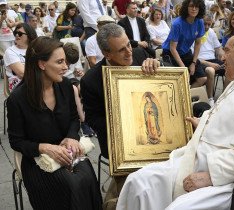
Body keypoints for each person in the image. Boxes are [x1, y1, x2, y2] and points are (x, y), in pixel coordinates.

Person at [116, 31, 234, 210]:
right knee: (139, 182)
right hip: (200, 157)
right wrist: (203, 124)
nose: (221, 57)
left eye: (227, 50)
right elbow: (227, 119)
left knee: (180, 207)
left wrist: (212, 175)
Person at [7, 36, 101, 210]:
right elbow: (16, 141)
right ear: (42, 64)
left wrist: (72, 137)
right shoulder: (17, 99)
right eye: (59, 62)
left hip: (67, 151)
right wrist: (45, 147)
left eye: (65, 61)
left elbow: (74, 119)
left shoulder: (65, 86)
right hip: (37, 160)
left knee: (87, 177)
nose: (66, 67)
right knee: (70, 184)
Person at [80, 23, 159, 160]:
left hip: (151, 129)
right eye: (121, 50)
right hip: (117, 142)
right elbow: (92, 119)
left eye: (128, 45)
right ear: (107, 54)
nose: (129, 52)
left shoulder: (140, 55)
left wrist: (157, 65)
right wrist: (122, 121)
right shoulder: (90, 80)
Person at [162, 0, 207, 88]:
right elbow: (173, 48)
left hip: (186, 53)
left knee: (202, 78)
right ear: (186, 7)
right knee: (182, 79)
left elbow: (198, 43)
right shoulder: (177, 24)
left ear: (200, 8)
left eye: (196, 7)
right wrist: (183, 68)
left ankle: (188, 96)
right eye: (191, 6)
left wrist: (193, 63)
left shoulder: (199, 21)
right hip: (171, 54)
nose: (194, 9)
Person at [4, 23, 37, 91]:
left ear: (29, 35)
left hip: (35, 83)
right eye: (16, 32)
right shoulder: (10, 51)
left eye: (20, 33)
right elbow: (23, 73)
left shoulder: (35, 49)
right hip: (20, 87)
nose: (16, 35)